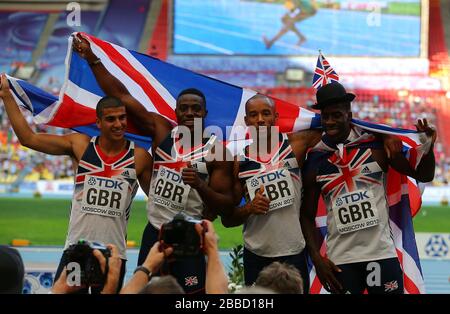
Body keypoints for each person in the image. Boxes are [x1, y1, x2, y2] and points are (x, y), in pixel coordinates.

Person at [73, 33, 235, 294]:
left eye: (196, 109)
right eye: (185, 108)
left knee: (192, 297)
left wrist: (200, 187)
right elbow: (121, 96)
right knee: (145, 290)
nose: (190, 113)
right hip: (155, 231)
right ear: (176, 113)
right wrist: (92, 59)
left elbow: (226, 204)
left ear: (205, 113)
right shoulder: (162, 131)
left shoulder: (217, 152)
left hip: (190, 235)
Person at [0, 74, 153, 293]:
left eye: (122, 118)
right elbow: (29, 139)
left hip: (113, 255)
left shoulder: (139, 157)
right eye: (111, 119)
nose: (118, 124)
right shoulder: (80, 145)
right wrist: (6, 95)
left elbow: (157, 204)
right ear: (98, 122)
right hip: (77, 252)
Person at [300, 82, 437, 294]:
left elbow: (423, 174)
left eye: (336, 115)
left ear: (349, 113)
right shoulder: (316, 160)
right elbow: (306, 216)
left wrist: (428, 146)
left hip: (380, 254)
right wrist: (317, 259)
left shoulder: (376, 148)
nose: (330, 122)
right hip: (341, 259)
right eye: (325, 116)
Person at [221, 94, 322, 293]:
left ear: (275, 118)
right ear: (246, 121)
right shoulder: (239, 163)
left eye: (265, 113)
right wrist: (249, 208)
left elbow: (337, 127)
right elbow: (228, 220)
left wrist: (386, 134)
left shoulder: (296, 146)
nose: (260, 119)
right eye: (254, 115)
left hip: (293, 251)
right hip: (256, 254)